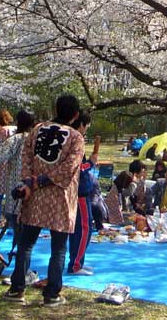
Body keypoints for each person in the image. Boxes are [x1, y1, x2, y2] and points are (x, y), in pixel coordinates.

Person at [3, 94, 84, 307]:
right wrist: (43, 180)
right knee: (58, 248)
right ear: (75, 115)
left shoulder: (37, 129)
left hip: (34, 196)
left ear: (56, 109)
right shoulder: (75, 137)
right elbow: (70, 167)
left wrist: (30, 182)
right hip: (60, 197)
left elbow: (26, 158)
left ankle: (17, 289)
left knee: (26, 244)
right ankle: (52, 294)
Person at [0, 110, 36, 246]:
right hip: (32, 187)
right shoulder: (36, 140)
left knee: (17, 225)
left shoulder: (17, 139)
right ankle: (21, 258)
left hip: (16, 188)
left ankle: (19, 258)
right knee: (26, 230)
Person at [68, 108, 97, 276]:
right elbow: (76, 168)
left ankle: (77, 261)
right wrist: (91, 163)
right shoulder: (76, 140)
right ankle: (76, 264)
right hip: (79, 192)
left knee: (78, 229)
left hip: (78, 191)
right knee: (84, 228)